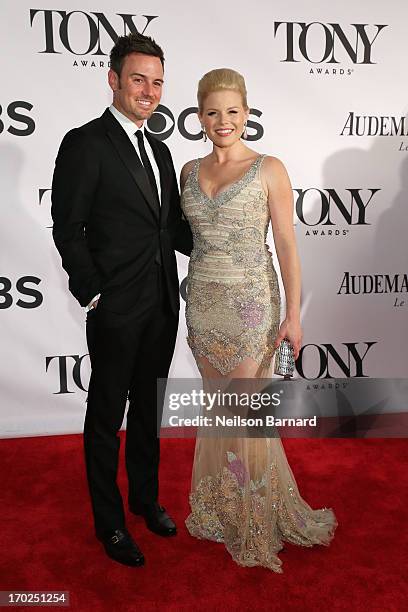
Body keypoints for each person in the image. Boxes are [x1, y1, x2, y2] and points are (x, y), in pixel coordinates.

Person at [180, 68, 337, 572]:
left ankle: (255, 519)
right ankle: (224, 505)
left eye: (232, 111)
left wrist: (294, 313)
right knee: (219, 409)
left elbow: (287, 243)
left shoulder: (270, 167)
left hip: (252, 305)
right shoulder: (187, 170)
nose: (222, 121)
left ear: (246, 114)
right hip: (202, 302)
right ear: (199, 117)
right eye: (212, 112)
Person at [51, 33, 193, 567]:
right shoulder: (85, 143)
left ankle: (145, 500)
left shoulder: (160, 148)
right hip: (114, 307)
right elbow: (69, 227)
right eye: (138, 79)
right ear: (113, 79)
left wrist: (228, 237)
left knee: (149, 410)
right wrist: (91, 293)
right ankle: (109, 525)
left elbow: (172, 229)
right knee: (107, 414)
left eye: (157, 82)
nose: (149, 90)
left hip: (161, 302)